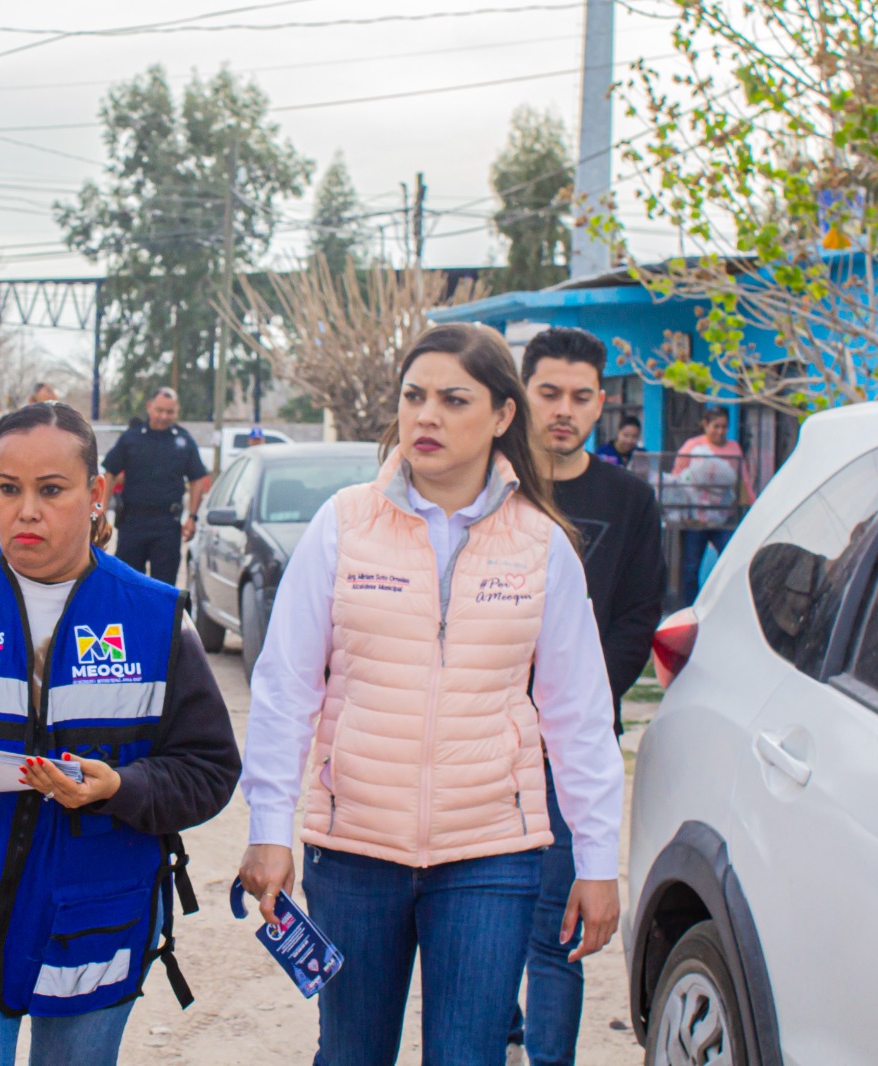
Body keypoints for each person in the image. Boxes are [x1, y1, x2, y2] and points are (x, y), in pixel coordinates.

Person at [235, 322, 624, 1066]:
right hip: (354, 850)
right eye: (414, 397)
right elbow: (285, 687)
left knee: (468, 1056)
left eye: (454, 399)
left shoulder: (542, 545)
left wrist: (597, 861)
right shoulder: (344, 524)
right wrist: (269, 826)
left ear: (503, 415)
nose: (427, 416)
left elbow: (579, 716)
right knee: (351, 1055)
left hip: (492, 855)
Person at [0, 401, 240, 1066]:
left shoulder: (154, 619)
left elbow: (208, 769)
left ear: (96, 494)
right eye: (8, 489)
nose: (26, 511)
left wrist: (121, 788)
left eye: (51, 490)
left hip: (92, 918)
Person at [509, 327, 666, 1065]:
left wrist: (580, 702)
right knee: (481, 915)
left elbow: (639, 615)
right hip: (484, 737)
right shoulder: (490, 485)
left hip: (572, 750)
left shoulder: (628, 499)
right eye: (549, 393)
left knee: (556, 928)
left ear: (601, 403)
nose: (563, 411)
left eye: (579, 397)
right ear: (522, 395)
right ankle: (495, 1037)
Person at [101, 388, 209, 586]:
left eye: (170, 412)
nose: (164, 416)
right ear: (149, 407)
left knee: (164, 587)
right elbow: (109, 473)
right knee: (126, 584)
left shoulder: (184, 440)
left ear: (177, 411)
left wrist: (192, 517)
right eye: (160, 410)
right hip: (133, 523)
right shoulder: (131, 438)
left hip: (167, 525)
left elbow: (197, 479)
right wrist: (102, 511)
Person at [673, 405, 752, 603]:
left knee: (730, 561)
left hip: (724, 518)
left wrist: (753, 505)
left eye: (724, 427)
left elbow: (743, 480)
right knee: (691, 567)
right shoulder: (693, 447)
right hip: (696, 520)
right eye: (716, 426)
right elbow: (678, 478)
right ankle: (689, 607)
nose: (720, 431)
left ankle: (726, 604)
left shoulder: (733, 448)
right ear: (705, 425)